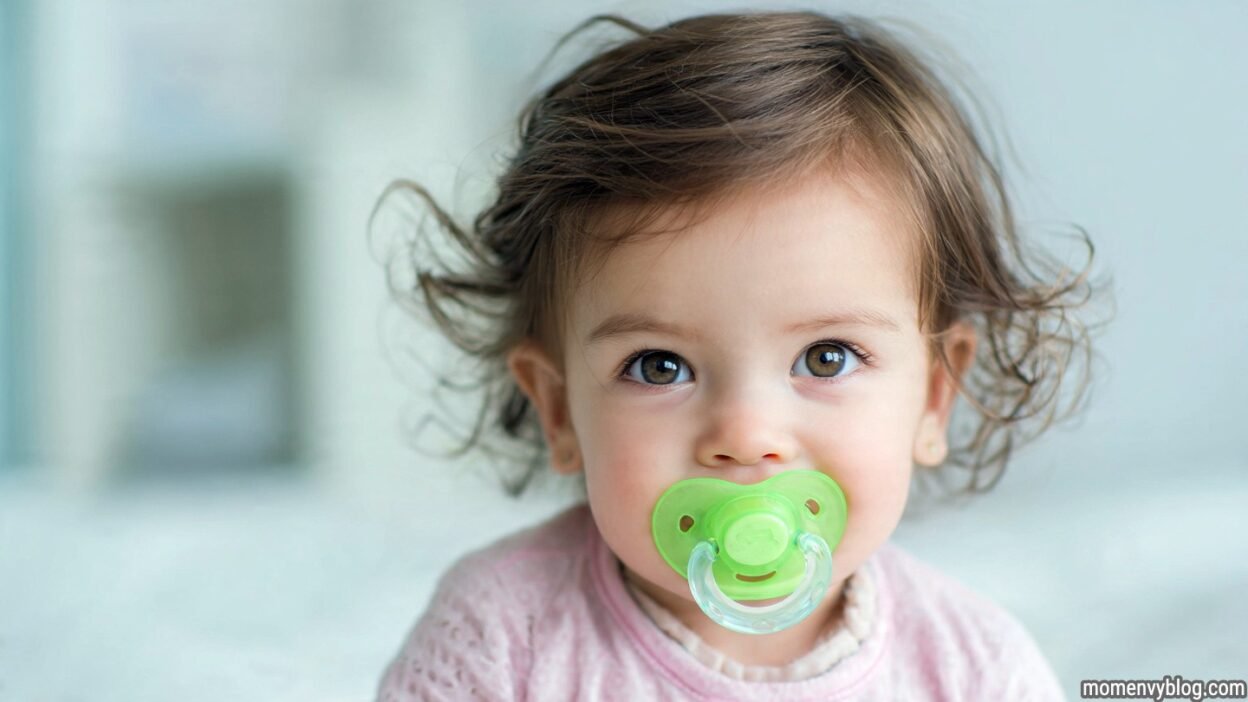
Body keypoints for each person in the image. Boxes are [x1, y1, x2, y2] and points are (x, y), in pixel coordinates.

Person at [375, 10, 1100, 701]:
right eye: (659, 366)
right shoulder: (499, 639)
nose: (747, 435)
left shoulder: (975, 669)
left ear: (934, 397)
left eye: (826, 358)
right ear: (559, 408)